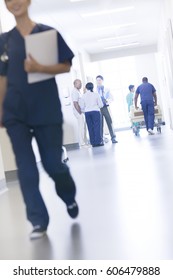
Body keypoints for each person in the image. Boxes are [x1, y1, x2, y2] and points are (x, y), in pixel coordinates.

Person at [0, 0, 79, 240]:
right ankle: (38, 221)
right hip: (15, 113)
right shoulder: (4, 40)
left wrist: (39, 67)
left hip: (45, 110)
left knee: (52, 164)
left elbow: (65, 66)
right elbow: (2, 79)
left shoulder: (48, 32)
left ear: (29, 1)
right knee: (26, 169)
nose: (14, 3)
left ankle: (68, 197)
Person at [96, 75, 118, 144]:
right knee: (100, 124)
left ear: (102, 80)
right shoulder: (94, 90)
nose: (98, 81)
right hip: (98, 108)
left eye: (99, 80)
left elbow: (112, 98)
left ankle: (113, 138)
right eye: (97, 80)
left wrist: (107, 101)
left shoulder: (107, 89)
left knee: (109, 122)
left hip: (105, 107)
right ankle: (101, 139)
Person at [81, 82, 103, 147]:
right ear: (92, 87)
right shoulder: (96, 94)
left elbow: (82, 106)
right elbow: (101, 105)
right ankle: (98, 142)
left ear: (86, 88)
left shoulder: (83, 96)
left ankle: (93, 143)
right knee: (97, 127)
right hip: (95, 112)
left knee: (90, 127)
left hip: (87, 113)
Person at [71, 79, 88, 147]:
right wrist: (80, 112)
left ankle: (84, 142)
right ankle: (82, 144)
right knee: (81, 127)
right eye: (79, 83)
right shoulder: (74, 92)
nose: (80, 85)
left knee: (83, 127)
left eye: (81, 83)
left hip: (81, 111)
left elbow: (80, 100)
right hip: (78, 112)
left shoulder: (78, 91)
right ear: (75, 84)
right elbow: (75, 103)